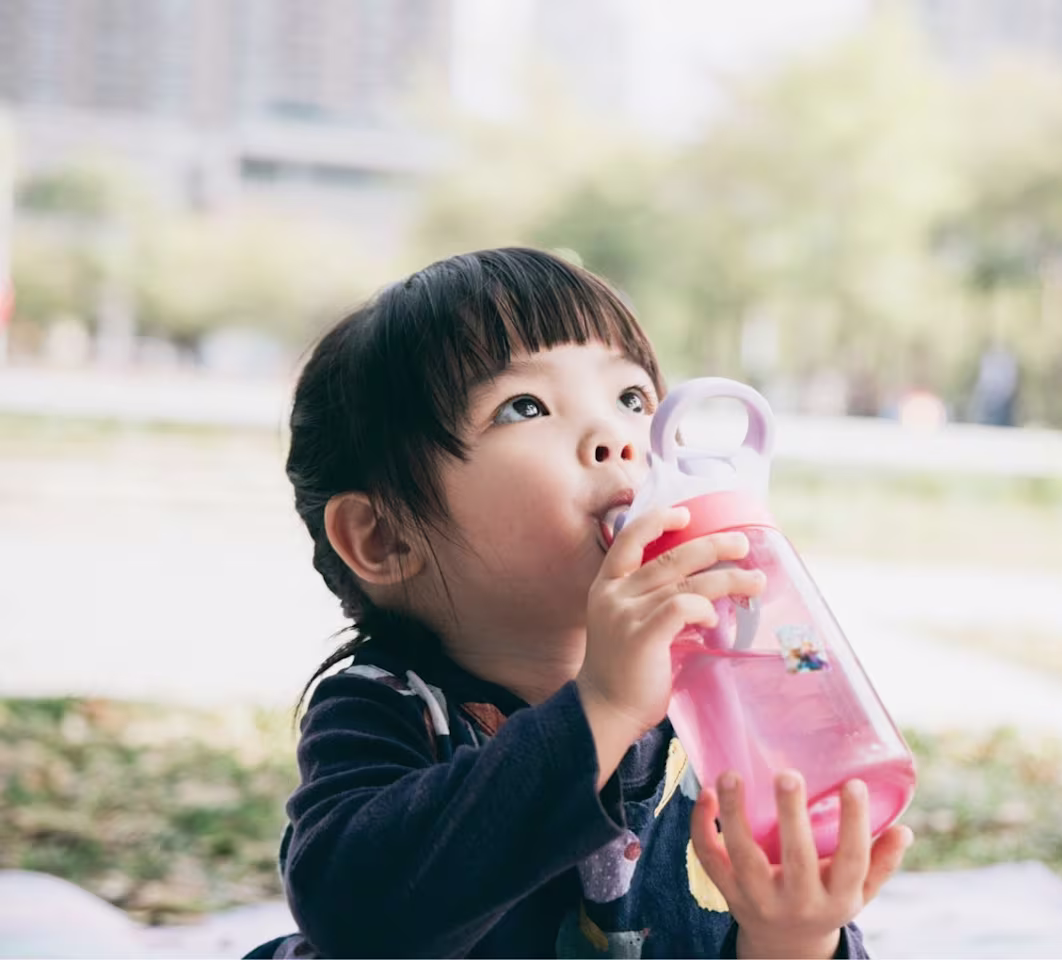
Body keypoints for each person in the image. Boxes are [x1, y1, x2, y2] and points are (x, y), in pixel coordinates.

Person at [247, 248, 910, 958]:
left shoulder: (717, 700)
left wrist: (791, 933)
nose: (616, 440)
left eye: (631, 398)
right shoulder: (387, 708)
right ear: (385, 539)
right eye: (524, 406)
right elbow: (356, 915)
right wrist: (602, 707)